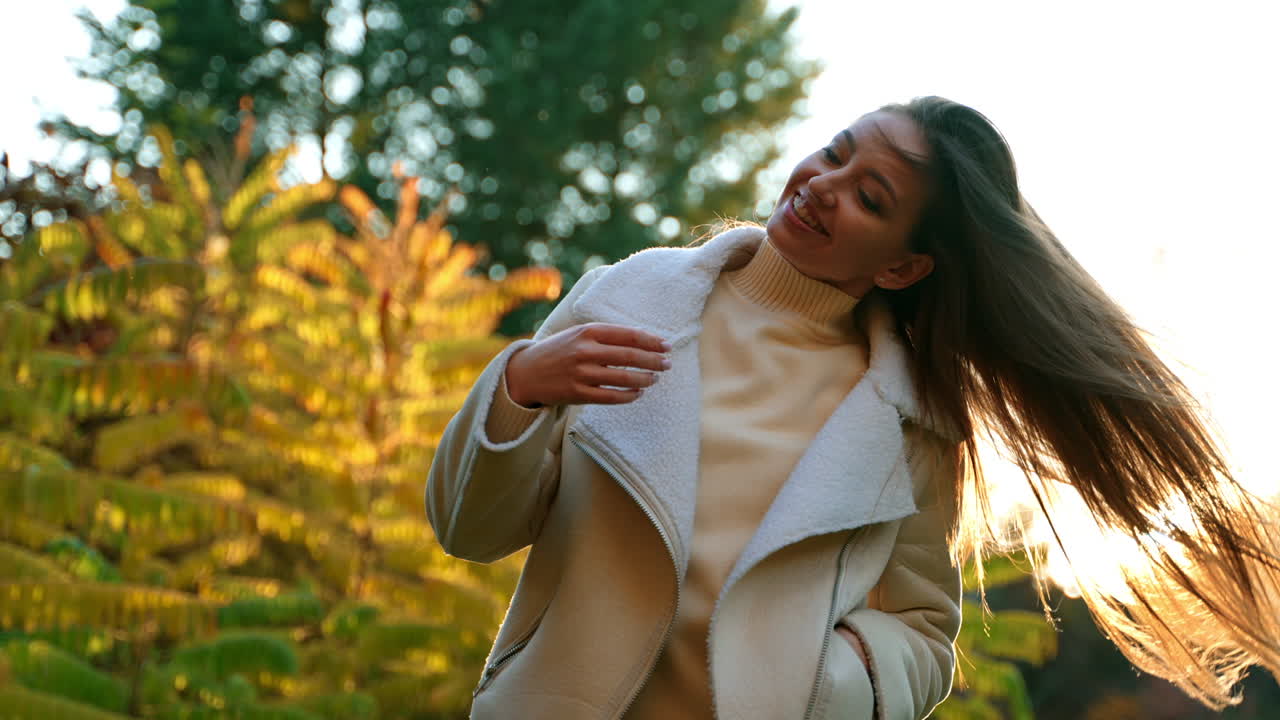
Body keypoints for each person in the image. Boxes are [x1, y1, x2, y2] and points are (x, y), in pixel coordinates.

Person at [426, 96, 1280, 719]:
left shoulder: (909, 418)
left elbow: (924, 632)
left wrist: (828, 682)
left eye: (871, 198)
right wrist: (521, 385)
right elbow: (468, 530)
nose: (823, 185)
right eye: (835, 153)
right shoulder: (627, 296)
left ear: (903, 268)